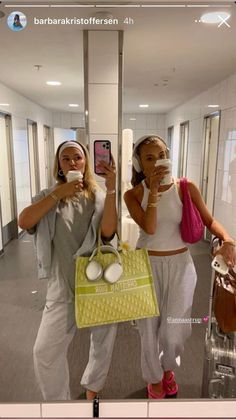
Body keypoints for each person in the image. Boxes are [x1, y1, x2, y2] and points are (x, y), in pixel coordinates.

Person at [124, 135, 236, 399]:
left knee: (174, 330)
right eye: (149, 158)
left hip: (181, 266)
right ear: (138, 164)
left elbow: (209, 220)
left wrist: (228, 239)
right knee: (148, 330)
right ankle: (154, 377)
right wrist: (152, 192)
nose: (157, 162)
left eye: (161, 155)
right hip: (145, 266)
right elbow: (149, 228)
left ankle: (168, 368)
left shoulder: (186, 187)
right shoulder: (134, 194)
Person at [18, 140, 117, 401]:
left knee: (103, 341)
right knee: (44, 352)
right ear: (59, 166)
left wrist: (112, 188)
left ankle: (92, 388)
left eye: (78, 157)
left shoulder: (98, 196)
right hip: (62, 284)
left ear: (86, 162)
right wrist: (58, 194)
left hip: (96, 281)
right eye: (66, 159)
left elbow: (107, 233)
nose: (73, 162)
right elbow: (25, 221)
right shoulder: (47, 196)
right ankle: (59, 404)